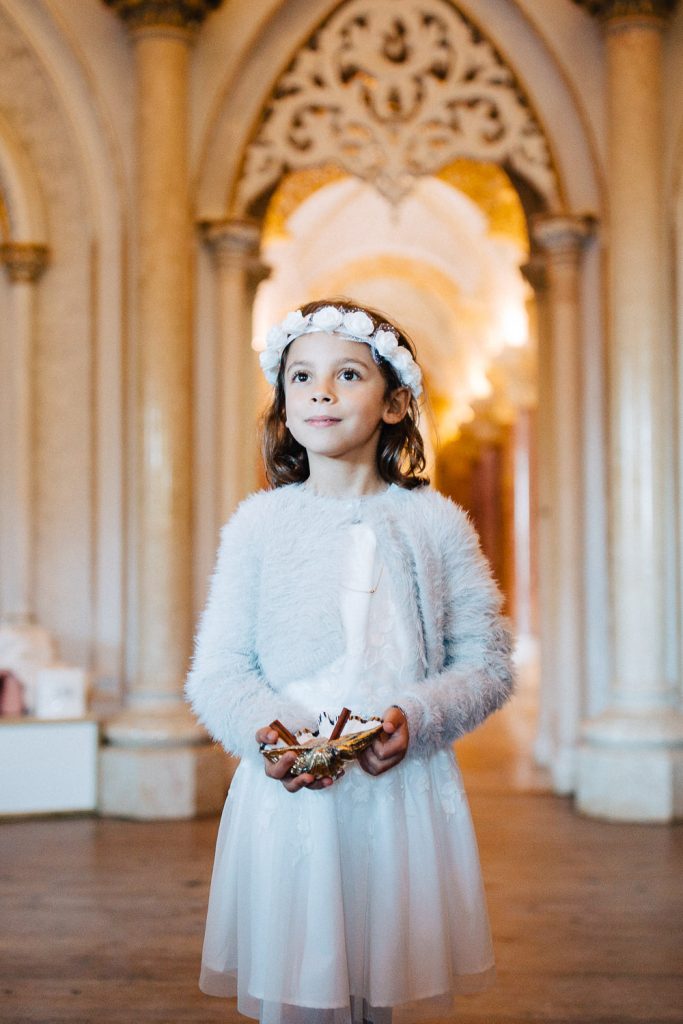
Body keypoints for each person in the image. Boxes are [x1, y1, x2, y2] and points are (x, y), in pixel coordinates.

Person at [185, 298, 515, 1024]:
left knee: (376, 983)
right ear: (283, 405)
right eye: (300, 377)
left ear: (396, 401)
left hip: (400, 791)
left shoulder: (434, 522)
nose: (320, 392)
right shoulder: (259, 526)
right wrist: (273, 731)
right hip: (294, 794)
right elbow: (217, 670)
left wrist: (417, 716)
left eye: (346, 374)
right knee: (302, 981)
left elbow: (488, 662)